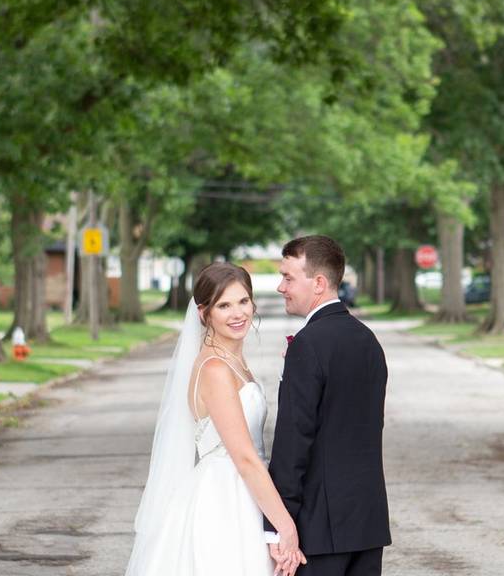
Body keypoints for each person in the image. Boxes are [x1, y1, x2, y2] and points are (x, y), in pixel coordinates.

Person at [125, 262, 306, 576]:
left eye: (243, 301)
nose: (238, 314)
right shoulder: (215, 370)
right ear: (203, 313)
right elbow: (245, 457)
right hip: (226, 498)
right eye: (224, 305)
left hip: (248, 490)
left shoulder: (232, 359)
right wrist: (285, 526)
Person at [265, 235, 391, 575]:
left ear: (318, 283)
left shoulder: (308, 345)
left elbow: (294, 442)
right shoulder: (368, 340)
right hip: (367, 521)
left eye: (288, 277)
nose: (281, 287)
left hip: (319, 528)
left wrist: (278, 523)